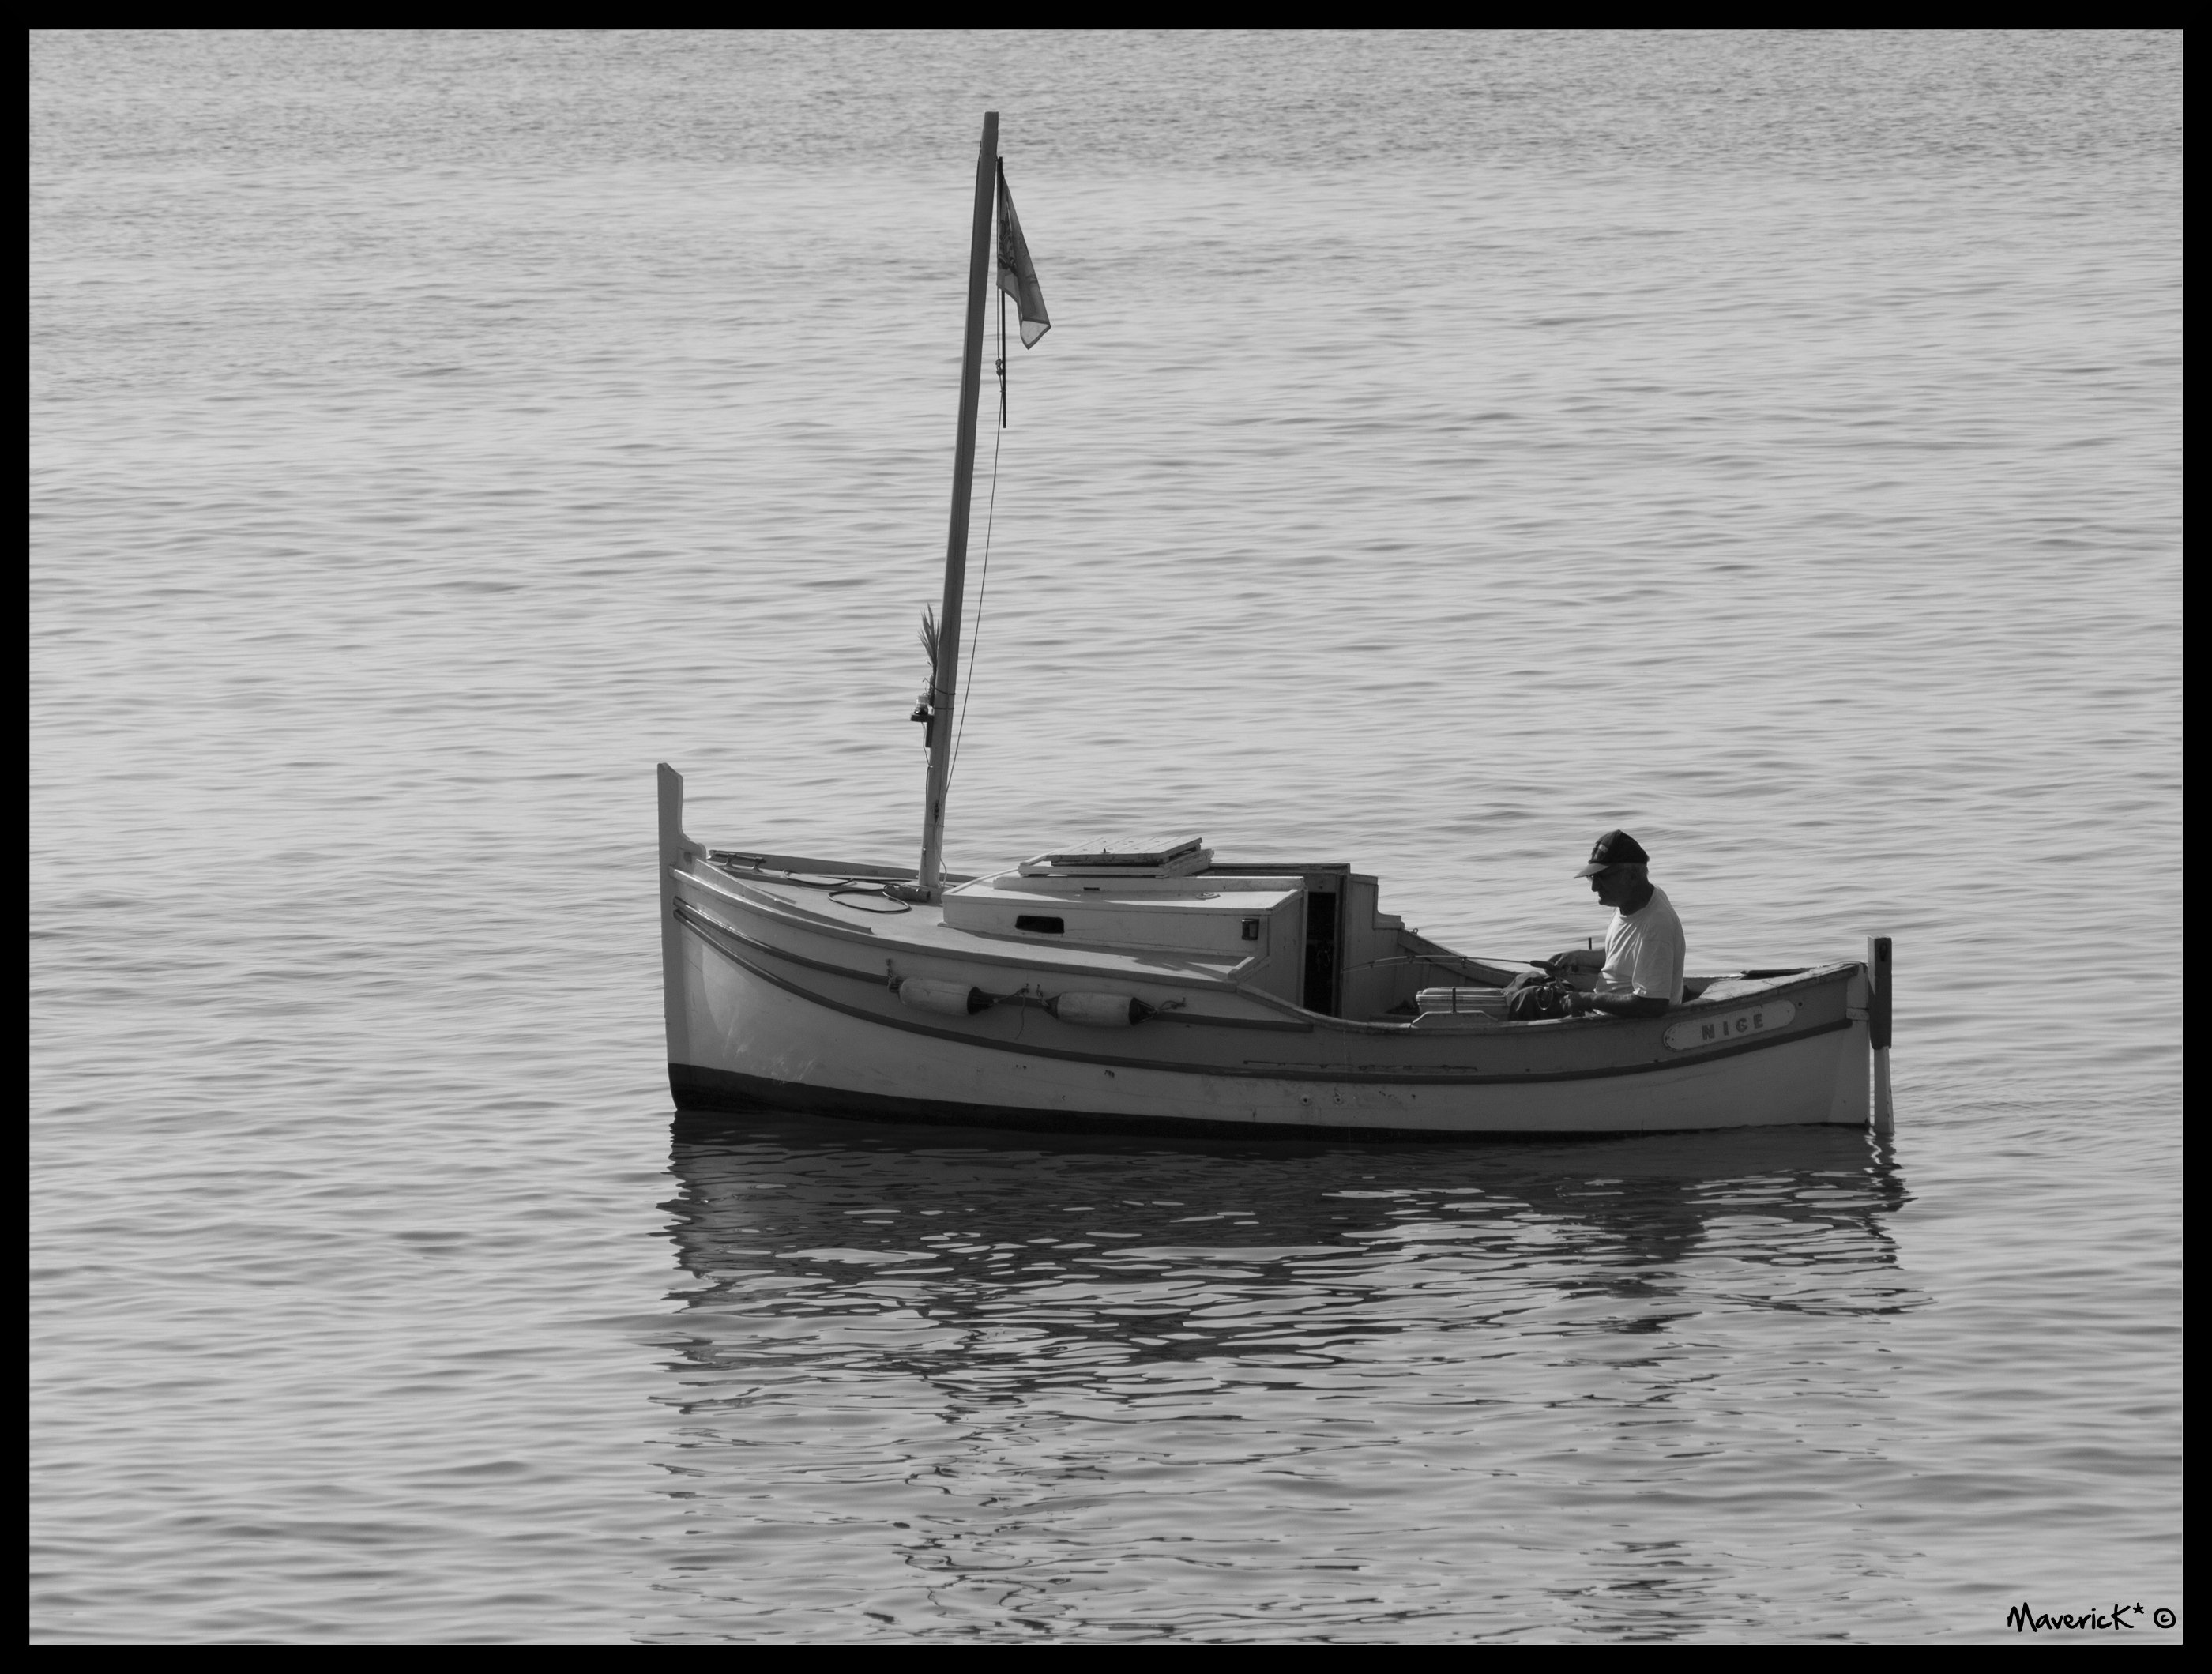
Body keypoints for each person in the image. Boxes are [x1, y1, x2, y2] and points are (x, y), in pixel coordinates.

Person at [1559, 829, 1684, 1018]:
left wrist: (1586, 1000)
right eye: (1592, 877)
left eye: (1602, 877)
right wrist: (1578, 958)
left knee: (1525, 1000)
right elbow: (1622, 956)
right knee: (1529, 983)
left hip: (1624, 1023)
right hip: (1601, 1008)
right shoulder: (1630, 902)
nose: (1594, 887)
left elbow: (1653, 1004)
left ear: (1632, 876)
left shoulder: (1656, 924)